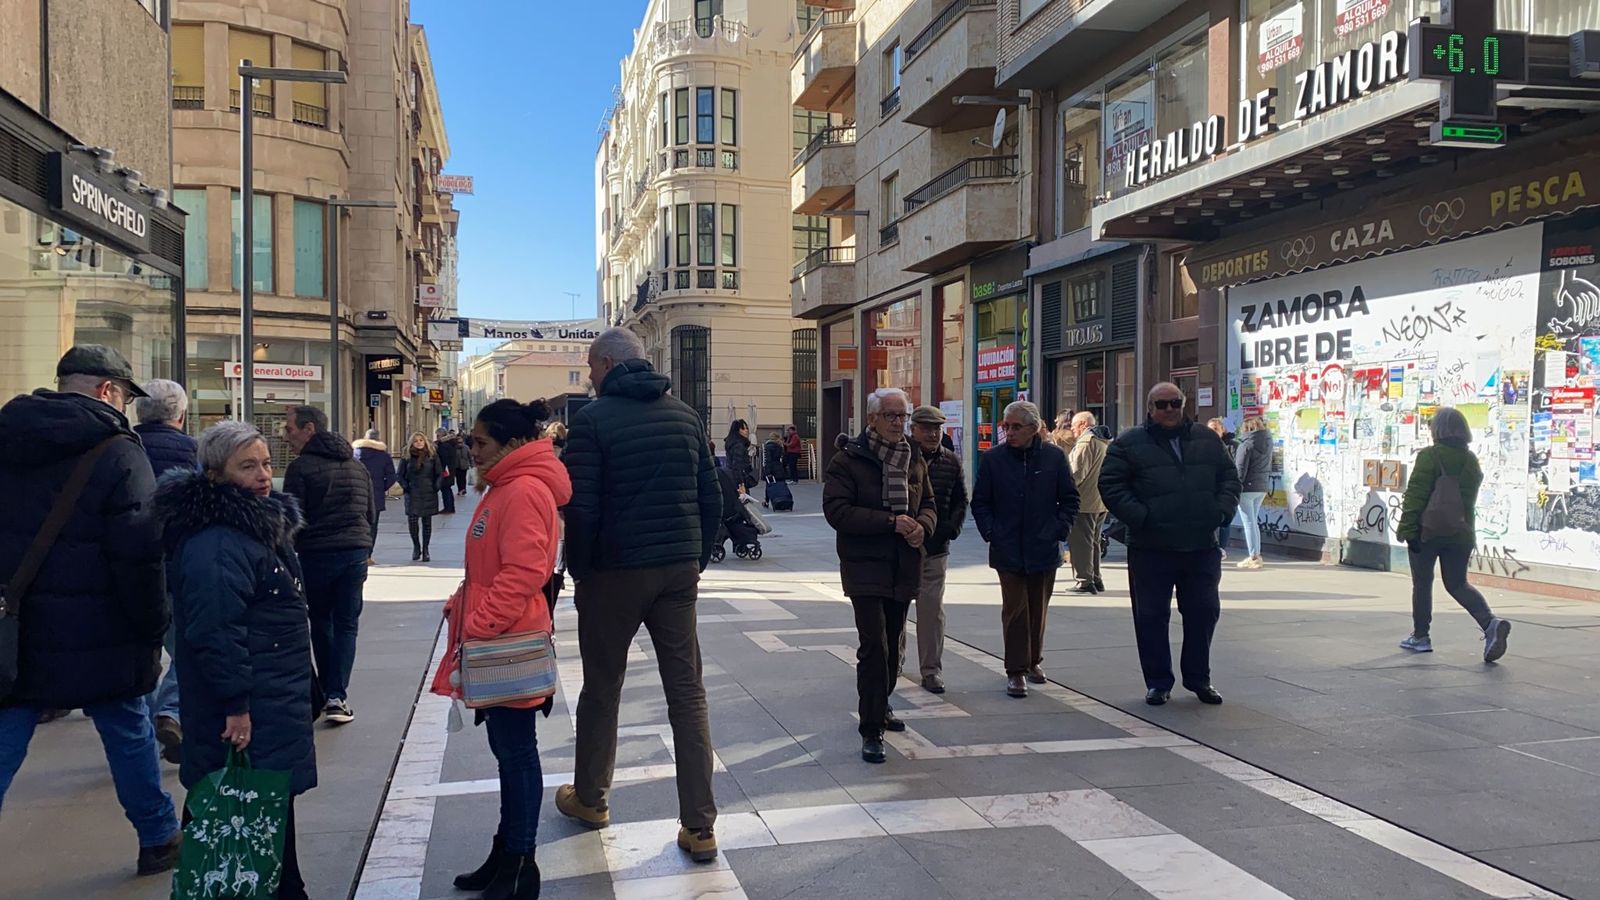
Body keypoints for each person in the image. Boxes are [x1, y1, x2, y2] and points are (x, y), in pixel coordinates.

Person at [0, 345, 180, 875]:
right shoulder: (118, 451)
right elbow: (139, 553)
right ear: (107, 390)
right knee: (128, 733)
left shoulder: (7, 436)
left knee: (7, 734)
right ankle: (158, 837)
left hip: (17, 626)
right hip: (102, 628)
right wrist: (152, 625)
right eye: (124, 394)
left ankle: (159, 834)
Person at [556, 328, 722, 863]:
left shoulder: (593, 421)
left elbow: (581, 508)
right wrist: (694, 557)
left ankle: (591, 798)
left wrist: (581, 569)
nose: (588, 376)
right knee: (687, 694)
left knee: (603, 689)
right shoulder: (684, 415)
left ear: (606, 364)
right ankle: (700, 826)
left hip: (614, 573)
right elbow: (711, 494)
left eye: (589, 367)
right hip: (677, 571)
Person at [155, 421, 317, 899]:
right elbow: (214, 632)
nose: (264, 475)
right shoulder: (219, 541)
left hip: (273, 693)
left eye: (267, 463)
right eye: (248, 466)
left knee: (264, 804)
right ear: (215, 474)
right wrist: (236, 703)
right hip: (250, 702)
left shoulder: (255, 527)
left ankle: (288, 887)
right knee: (233, 800)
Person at [432, 400, 571, 900]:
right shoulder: (504, 486)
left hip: (507, 642)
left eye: (479, 442)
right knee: (508, 754)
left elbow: (526, 570)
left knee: (517, 756)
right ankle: (506, 853)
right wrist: (462, 603)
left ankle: (520, 863)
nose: (471, 451)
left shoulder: (523, 489)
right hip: (497, 637)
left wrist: (481, 620)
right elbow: (494, 568)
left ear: (511, 444)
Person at [1100, 383, 1240, 707]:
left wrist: (1220, 511)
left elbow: (1229, 478)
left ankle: (1199, 678)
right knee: (1151, 616)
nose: (1168, 409)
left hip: (1200, 544)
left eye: (1175, 403)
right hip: (1151, 547)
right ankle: (1158, 682)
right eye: (1161, 404)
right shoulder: (1129, 442)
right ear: (1150, 408)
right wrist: (1142, 516)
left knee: (1204, 612)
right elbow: (1110, 484)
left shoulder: (1207, 439)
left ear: (1183, 404)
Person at [823, 388, 938, 763]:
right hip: (864, 565)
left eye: (902, 416)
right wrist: (890, 522)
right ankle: (870, 729)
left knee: (894, 645)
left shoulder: (913, 456)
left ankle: (882, 704)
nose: (897, 423)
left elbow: (930, 503)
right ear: (871, 419)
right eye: (890, 416)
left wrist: (923, 525)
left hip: (904, 564)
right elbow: (837, 511)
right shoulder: (849, 459)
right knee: (874, 647)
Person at [971, 401, 1079, 698]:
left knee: (1038, 610)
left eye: (1016, 426)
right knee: (1015, 610)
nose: (1009, 432)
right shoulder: (994, 459)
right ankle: (1016, 670)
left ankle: (1033, 662)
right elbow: (980, 502)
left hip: (1043, 546)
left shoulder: (1054, 458)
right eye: (1006, 426)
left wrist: (1059, 529)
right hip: (1007, 547)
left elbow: (1070, 499)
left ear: (1033, 428)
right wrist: (992, 532)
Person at [282, 406, 375, 724]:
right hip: (354, 552)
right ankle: (337, 695)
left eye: (290, 430)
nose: (286, 437)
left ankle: (328, 691)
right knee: (347, 623)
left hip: (317, 554)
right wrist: (366, 548)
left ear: (309, 429)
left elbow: (292, 519)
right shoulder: (356, 466)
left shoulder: (301, 468)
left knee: (321, 621)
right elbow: (371, 513)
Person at [1396, 407, 1511, 661]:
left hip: (1427, 533)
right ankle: (1490, 624)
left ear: (1437, 429)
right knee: (1457, 583)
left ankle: (1420, 636)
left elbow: (1416, 495)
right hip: (1461, 533)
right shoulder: (1470, 460)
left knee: (1423, 583)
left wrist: (1407, 530)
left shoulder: (1430, 456)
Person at [133, 378, 198, 763]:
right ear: (181, 415)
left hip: (131, 569)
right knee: (187, 647)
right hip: (179, 567)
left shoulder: (117, 451)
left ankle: (144, 731)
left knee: (140, 654)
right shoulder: (195, 453)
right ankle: (170, 710)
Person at [900, 406, 966, 694]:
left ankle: (931, 670)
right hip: (901, 548)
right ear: (912, 429)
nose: (932, 434)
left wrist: (950, 529)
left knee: (931, 611)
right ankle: (895, 663)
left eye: (936, 429)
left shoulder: (950, 461)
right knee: (896, 609)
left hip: (936, 547)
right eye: (925, 428)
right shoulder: (899, 457)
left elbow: (960, 501)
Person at [1067, 411, 1110, 594]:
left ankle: (1084, 580)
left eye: (1074, 426)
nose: (1071, 429)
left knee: (1080, 542)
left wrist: (1064, 492)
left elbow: (1076, 473)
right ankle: (1095, 578)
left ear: (1083, 424)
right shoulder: (1104, 441)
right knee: (1093, 541)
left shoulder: (1087, 442)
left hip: (1084, 501)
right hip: (1099, 500)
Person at [398, 432, 445, 562]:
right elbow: (400, 474)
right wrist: (405, 486)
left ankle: (426, 550)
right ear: (411, 443)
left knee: (426, 523)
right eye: (416, 441)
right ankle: (416, 547)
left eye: (421, 440)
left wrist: (437, 486)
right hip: (412, 492)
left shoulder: (432, 456)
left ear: (425, 442)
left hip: (428, 492)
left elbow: (439, 473)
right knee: (413, 522)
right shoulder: (406, 457)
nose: (419, 443)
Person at [1233, 416, 1272, 570]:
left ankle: (1254, 556)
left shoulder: (1246, 445)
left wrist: (1235, 485)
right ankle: (1256, 554)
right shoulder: (1268, 443)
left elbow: (1240, 469)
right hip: (1261, 487)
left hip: (1246, 488)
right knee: (1253, 522)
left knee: (1249, 522)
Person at [353, 428, 398, 563]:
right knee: (372, 525)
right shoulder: (383, 455)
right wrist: (381, 488)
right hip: (375, 496)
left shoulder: (354, 453)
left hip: (356, 495)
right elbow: (391, 476)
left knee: (357, 525)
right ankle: (368, 555)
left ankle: (358, 553)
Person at [1207, 418, 1238, 557]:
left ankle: (1222, 547)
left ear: (1222, 430)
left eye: (1215, 428)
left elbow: (1234, 470)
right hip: (1209, 487)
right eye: (1210, 428)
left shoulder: (1231, 446)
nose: (1212, 432)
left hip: (1223, 487)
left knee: (1224, 518)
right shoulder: (1202, 445)